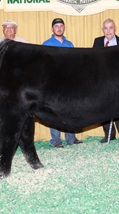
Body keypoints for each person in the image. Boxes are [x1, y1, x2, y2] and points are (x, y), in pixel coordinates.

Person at [42, 18, 83, 148]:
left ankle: (71, 138)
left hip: (69, 83)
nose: (59, 28)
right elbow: (43, 66)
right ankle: (56, 141)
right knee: (54, 111)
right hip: (53, 83)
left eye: (61, 26)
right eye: (56, 26)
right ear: (52, 29)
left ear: (64, 28)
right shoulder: (46, 44)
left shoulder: (70, 44)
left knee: (71, 110)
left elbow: (75, 64)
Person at [92, 19, 119, 143]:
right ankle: (109, 135)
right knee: (104, 107)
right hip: (102, 82)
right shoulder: (97, 42)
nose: (108, 31)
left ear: (115, 29)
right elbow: (94, 62)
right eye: (106, 28)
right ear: (103, 30)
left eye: (110, 28)